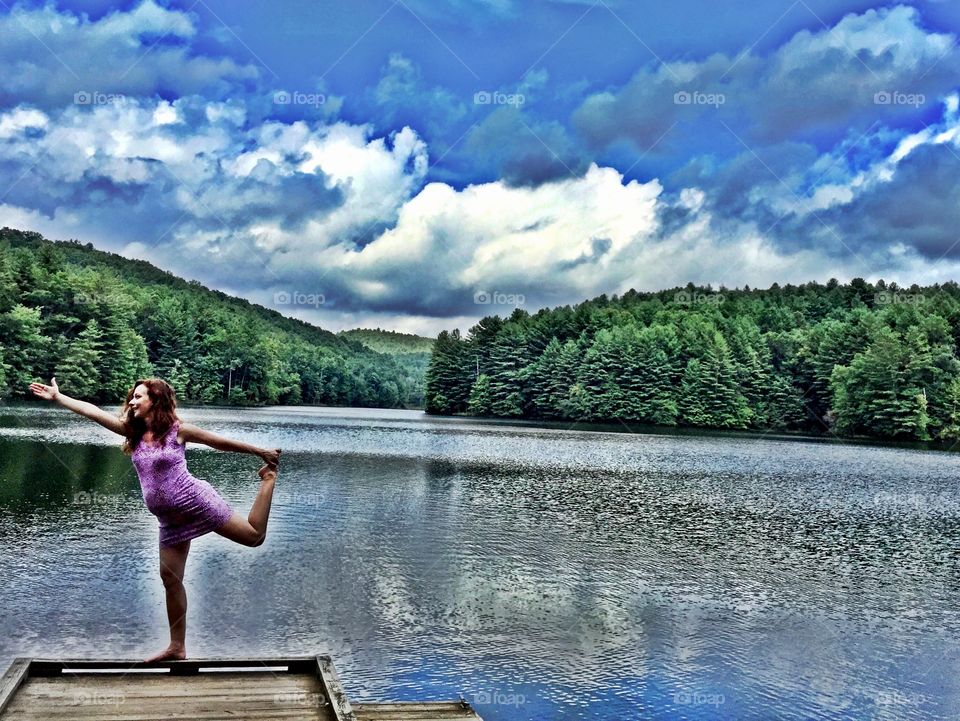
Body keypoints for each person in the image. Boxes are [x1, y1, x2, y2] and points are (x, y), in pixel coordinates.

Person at [27, 376, 281, 662]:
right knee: (170, 580)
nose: (132, 401)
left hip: (195, 502)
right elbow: (94, 412)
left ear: (155, 401)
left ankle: (268, 479)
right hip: (170, 522)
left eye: (139, 397)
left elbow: (219, 443)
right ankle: (177, 647)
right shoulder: (131, 433)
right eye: (132, 397)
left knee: (253, 537)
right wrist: (60, 398)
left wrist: (259, 452)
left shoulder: (178, 431)